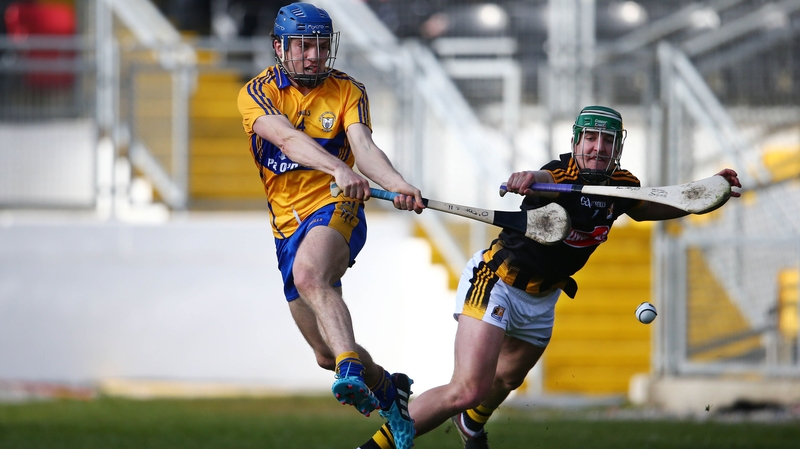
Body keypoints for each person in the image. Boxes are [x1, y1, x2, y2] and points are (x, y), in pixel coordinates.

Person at [356, 105, 742, 449]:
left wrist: (703, 196)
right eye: (590, 139)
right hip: (497, 283)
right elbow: (540, 175)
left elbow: (653, 206)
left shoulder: (622, 186)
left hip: (543, 300)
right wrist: (527, 178)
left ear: (617, 148)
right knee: (468, 388)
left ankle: (470, 425)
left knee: (505, 382)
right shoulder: (557, 176)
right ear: (576, 142)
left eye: (606, 141)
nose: (597, 148)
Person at [237, 4, 422, 449]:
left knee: (310, 275)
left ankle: (351, 371)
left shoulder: (347, 90)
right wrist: (337, 166)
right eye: (302, 46)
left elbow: (364, 146)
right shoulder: (257, 93)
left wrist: (398, 184)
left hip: (335, 207)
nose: (313, 56)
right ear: (280, 47)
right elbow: (285, 138)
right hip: (286, 225)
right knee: (323, 353)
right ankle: (387, 390)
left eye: (320, 46)